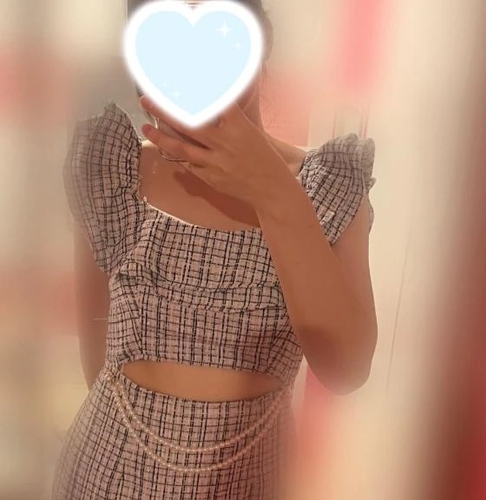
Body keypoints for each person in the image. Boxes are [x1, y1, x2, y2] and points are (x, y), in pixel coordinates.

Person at [52, 0, 378, 498]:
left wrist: (273, 190)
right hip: (104, 474)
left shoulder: (327, 186)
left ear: (262, 40)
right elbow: (99, 361)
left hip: (251, 481)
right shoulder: (113, 168)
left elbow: (346, 368)